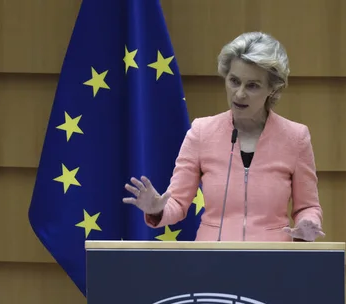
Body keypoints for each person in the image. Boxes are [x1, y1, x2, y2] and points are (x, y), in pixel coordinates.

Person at [123, 32, 325, 242]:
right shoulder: (202, 132)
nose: (239, 94)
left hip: (273, 261)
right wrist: (157, 209)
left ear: (272, 89)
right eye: (234, 81)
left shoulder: (295, 137)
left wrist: (308, 223)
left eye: (252, 85)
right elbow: (177, 203)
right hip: (212, 260)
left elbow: (308, 206)